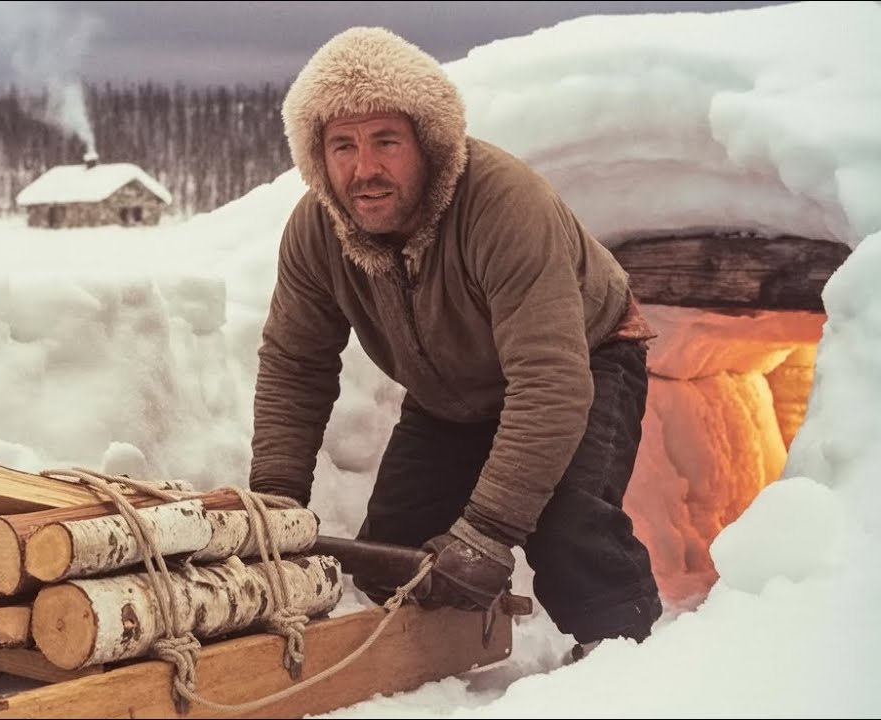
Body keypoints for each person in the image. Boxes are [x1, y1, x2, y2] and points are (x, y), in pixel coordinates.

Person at [247, 26, 663, 656]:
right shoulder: (316, 230)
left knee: (569, 528)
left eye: (386, 141)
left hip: (587, 358)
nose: (365, 169)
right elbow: (294, 364)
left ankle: (628, 660)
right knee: (390, 554)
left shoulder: (503, 204)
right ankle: (459, 643)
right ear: (318, 156)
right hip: (451, 393)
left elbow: (550, 381)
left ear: (428, 142)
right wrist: (275, 500)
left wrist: (488, 531)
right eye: (343, 146)